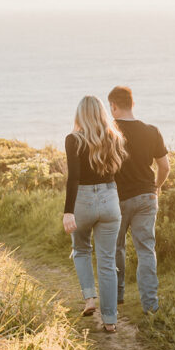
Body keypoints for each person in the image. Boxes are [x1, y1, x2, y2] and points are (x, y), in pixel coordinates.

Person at [63, 95, 127, 333]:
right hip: (111, 199)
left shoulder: (73, 140)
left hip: (83, 200)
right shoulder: (115, 138)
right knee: (108, 262)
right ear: (102, 113)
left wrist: (68, 211)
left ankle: (89, 298)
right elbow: (119, 174)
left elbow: (74, 178)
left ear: (80, 114)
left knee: (80, 249)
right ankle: (110, 321)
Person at [107, 85, 170, 313]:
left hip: (117, 199)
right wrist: (156, 187)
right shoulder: (151, 131)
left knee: (115, 248)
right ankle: (150, 305)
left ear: (113, 106)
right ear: (133, 104)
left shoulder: (109, 133)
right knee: (146, 250)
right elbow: (165, 166)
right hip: (146, 196)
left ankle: (116, 296)